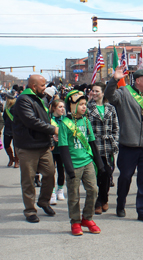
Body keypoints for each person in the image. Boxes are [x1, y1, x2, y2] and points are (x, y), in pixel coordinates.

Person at [104, 67, 143, 223]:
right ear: (138, 81)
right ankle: (120, 203)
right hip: (128, 145)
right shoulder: (124, 93)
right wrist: (114, 80)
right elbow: (109, 96)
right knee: (125, 177)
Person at [11, 75, 59, 223]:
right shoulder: (23, 100)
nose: (45, 88)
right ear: (33, 86)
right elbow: (32, 121)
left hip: (43, 145)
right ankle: (30, 211)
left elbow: (45, 119)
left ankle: (43, 201)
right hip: (27, 146)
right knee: (29, 180)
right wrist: (53, 130)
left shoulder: (41, 98)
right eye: (43, 85)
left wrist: (50, 139)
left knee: (50, 174)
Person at [58, 90, 105, 235]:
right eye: (81, 104)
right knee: (74, 195)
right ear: (72, 105)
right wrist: (69, 168)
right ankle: (75, 222)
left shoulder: (85, 120)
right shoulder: (64, 124)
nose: (84, 107)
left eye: (85, 104)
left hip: (87, 162)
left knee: (93, 190)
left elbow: (92, 143)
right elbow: (63, 148)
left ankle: (87, 218)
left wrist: (100, 164)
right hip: (73, 164)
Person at [87, 82, 119, 215]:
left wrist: (115, 142)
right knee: (96, 175)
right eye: (92, 91)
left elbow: (116, 128)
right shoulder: (87, 108)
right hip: (94, 146)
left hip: (107, 146)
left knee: (107, 174)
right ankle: (98, 202)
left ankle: (104, 198)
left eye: (96, 91)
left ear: (103, 93)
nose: (94, 93)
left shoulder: (110, 108)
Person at [49, 99, 66, 204]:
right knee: (50, 171)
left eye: (63, 107)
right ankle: (51, 192)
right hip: (51, 148)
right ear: (54, 108)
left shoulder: (66, 120)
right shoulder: (49, 119)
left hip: (62, 149)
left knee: (61, 170)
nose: (62, 109)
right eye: (60, 107)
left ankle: (60, 189)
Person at [3, 90, 18, 168]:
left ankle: (17, 161)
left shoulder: (17, 106)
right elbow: (4, 118)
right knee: (6, 144)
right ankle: (11, 158)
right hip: (8, 128)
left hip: (16, 129)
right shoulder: (6, 107)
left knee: (16, 146)